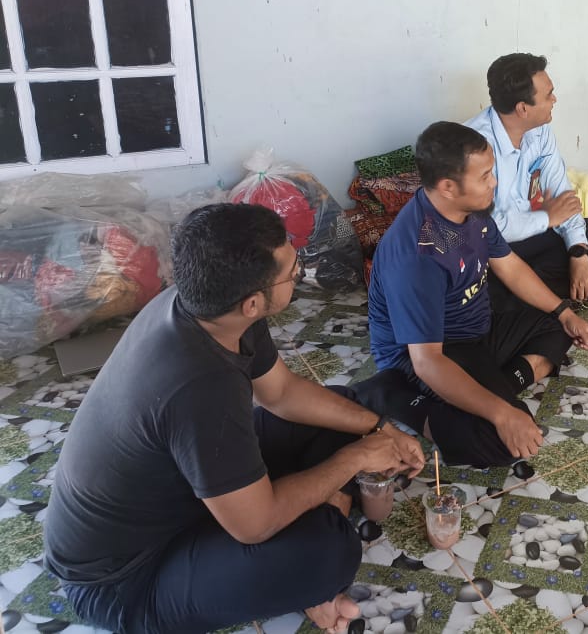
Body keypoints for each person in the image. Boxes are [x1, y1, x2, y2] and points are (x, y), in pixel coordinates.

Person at [43, 204, 425, 634]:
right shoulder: (201, 386)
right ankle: (308, 578)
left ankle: (300, 557)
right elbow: (255, 526)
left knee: (342, 412)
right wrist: (356, 459)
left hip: (183, 492)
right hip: (125, 580)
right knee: (328, 548)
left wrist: (379, 429)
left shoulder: (208, 307)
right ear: (253, 302)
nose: (299, 274)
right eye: (294, 272)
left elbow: (282, 393)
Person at [366, 121, 588, 466]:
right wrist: (502, 414)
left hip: (477, 330)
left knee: (559, 325)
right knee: (502, 444)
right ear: (447, 186)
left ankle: (485, 389)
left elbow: (510, 266)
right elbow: (427, 361)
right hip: (431, 353)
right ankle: (390, 395)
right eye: (485, 176)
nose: (495, 182)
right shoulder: (419, 253)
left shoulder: (471, 212)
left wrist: (564, 312)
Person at [465, 53, 588, 303]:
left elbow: (562, 196)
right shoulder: (476, 146)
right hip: (493, 250)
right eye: (549, 95)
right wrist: (547, 217)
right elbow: (486, 229)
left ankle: (526, 292)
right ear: (523, 108)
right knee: (482, 270)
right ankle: (527, 293)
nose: (554, 99)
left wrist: (578, 253)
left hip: (531, 233)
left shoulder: (540, 131)